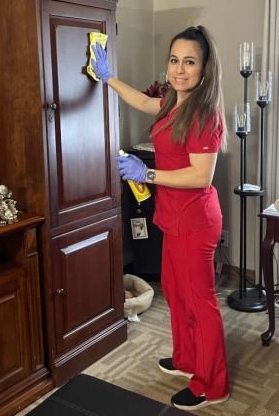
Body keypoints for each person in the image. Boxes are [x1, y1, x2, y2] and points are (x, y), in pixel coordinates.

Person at [91, 26, 229, 411]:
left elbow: (201, 176)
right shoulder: (172, 101)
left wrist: (146, 173)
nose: (179, 70)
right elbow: (143, 102)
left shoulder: (204, 114)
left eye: (189, 62)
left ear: (204, 70)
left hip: (197, 221)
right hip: (172, 216)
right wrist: (109, 78)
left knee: (200, 302)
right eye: (174, 60)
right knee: (175, 290)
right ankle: (187, 360)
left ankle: (212, 384)